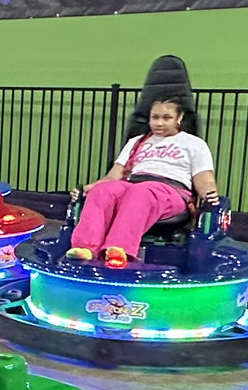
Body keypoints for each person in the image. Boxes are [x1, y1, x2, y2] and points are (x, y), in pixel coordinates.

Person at [65, 93, 218, 268]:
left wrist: (209, 193)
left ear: (179, 117)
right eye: (155, 117)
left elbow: (204, 179)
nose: (159, 123)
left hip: (171, 191)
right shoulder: (136, 142)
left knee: (141, 192)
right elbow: (113, 176)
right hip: (132, 185)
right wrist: (88, 188)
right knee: (103, 191)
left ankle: (118, 249)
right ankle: (85, 248)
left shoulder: (194, 144)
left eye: (166, 118)